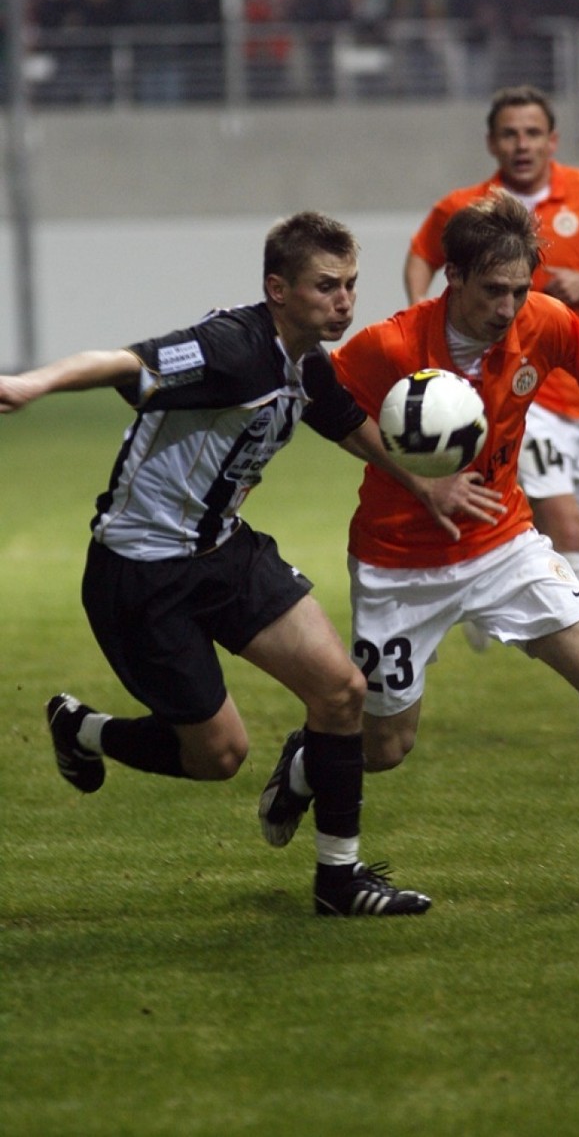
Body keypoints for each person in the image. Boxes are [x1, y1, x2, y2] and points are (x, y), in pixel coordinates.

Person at [260, 192, 579, 889]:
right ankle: (308, 762)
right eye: (493, 290)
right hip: (400, 564)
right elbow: (317, 395)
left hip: (504, 544)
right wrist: (415, 478)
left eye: (520, 289)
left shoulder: (544, 323)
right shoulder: (393, 344)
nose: (509, 306)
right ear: (451, 277)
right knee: (388, 746)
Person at [0, 212, 444, 918]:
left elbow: (340, 417)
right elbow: (127, 362)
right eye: (326, 285)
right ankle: (82, 729)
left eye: (351, 284)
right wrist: (33, 383)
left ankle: (340, 881)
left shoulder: (306, 360)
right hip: (141, 574)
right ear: (277, 288)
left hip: (224, 552)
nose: (345, 301)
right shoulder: (229, 347)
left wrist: (420, 483)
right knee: (219, 756)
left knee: (340, 692)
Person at [403, 84, 579, 715]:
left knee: (557, 515)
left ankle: (480, 581)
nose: (521, 145)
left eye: (532, 133)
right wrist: (418, 318)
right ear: (492, 142)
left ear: (553, 140)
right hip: (514, 389)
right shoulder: (465, 207)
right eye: (509, 134)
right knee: (563, 518)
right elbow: (420, 255)